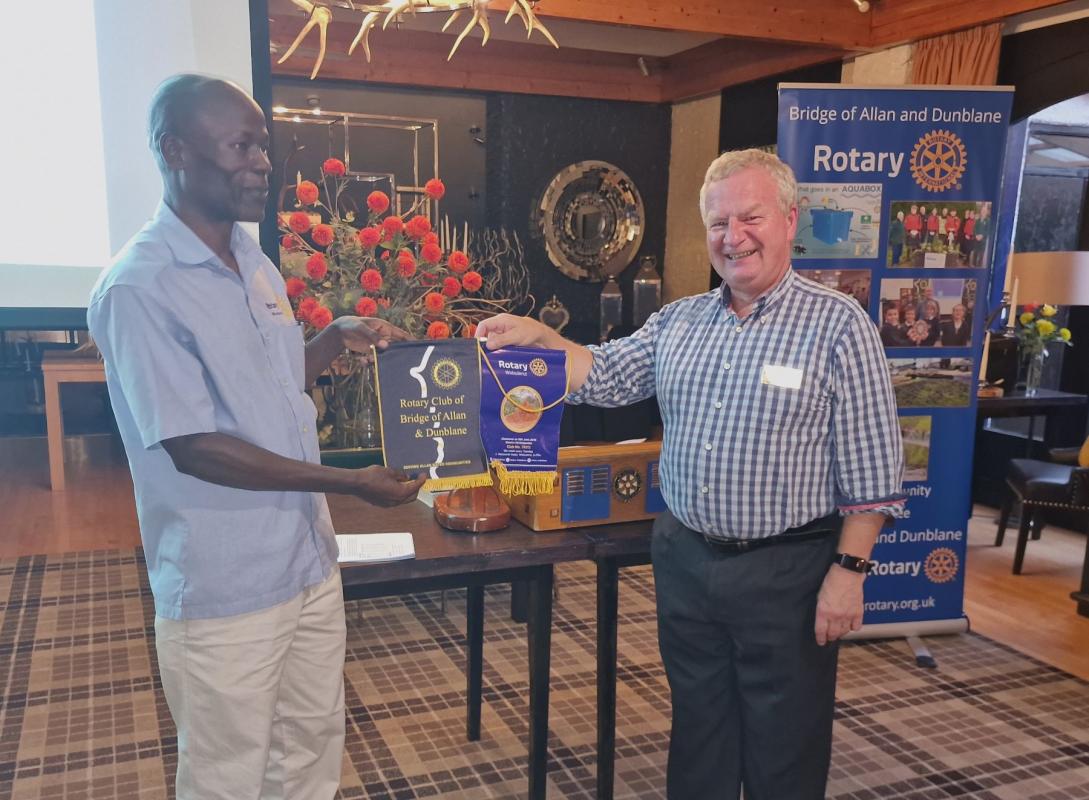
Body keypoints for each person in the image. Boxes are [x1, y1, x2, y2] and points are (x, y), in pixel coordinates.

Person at [478, 149, 905, 800]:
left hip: (786, 571)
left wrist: (848, 577)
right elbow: (602, 373)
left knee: (783, 741)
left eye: (750, 217)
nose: (732, 237)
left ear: (790, 221)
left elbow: (871, 470)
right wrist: (538, 338)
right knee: (698, 727)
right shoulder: (678, 322)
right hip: (684, 560)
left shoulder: (838, 326)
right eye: (717, 223)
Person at [87, 74, 426, 800]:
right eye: (240, 146)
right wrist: (350, 482)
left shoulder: (255, 262)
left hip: (306, 563)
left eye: (263, 146)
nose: (261, 163)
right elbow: (195, 445)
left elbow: (273, 385)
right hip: (226, 581)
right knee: (228, 775)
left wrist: (333, 338)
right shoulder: (139, 287)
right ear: (174, 151)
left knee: (310, 751)